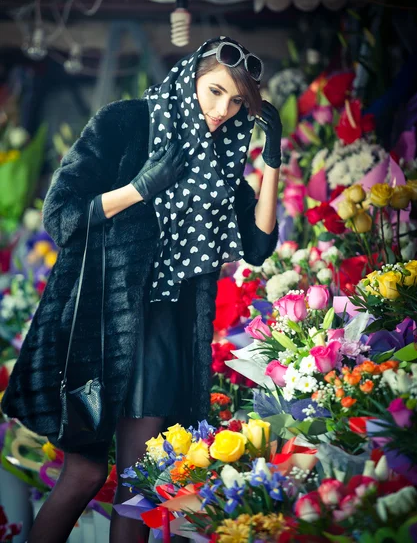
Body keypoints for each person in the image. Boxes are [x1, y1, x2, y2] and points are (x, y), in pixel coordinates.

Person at [1, 36, 282, 543]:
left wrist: (275, 162)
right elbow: (61, 217)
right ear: (191, 76)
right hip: (98, 329)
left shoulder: (220, 157)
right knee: (83, 475)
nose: (223, 110)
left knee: (137, 489)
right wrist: (138, 189)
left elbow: (260, 245)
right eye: (215, 91)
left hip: (161, 334)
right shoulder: (125, 121)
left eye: (237, 102)